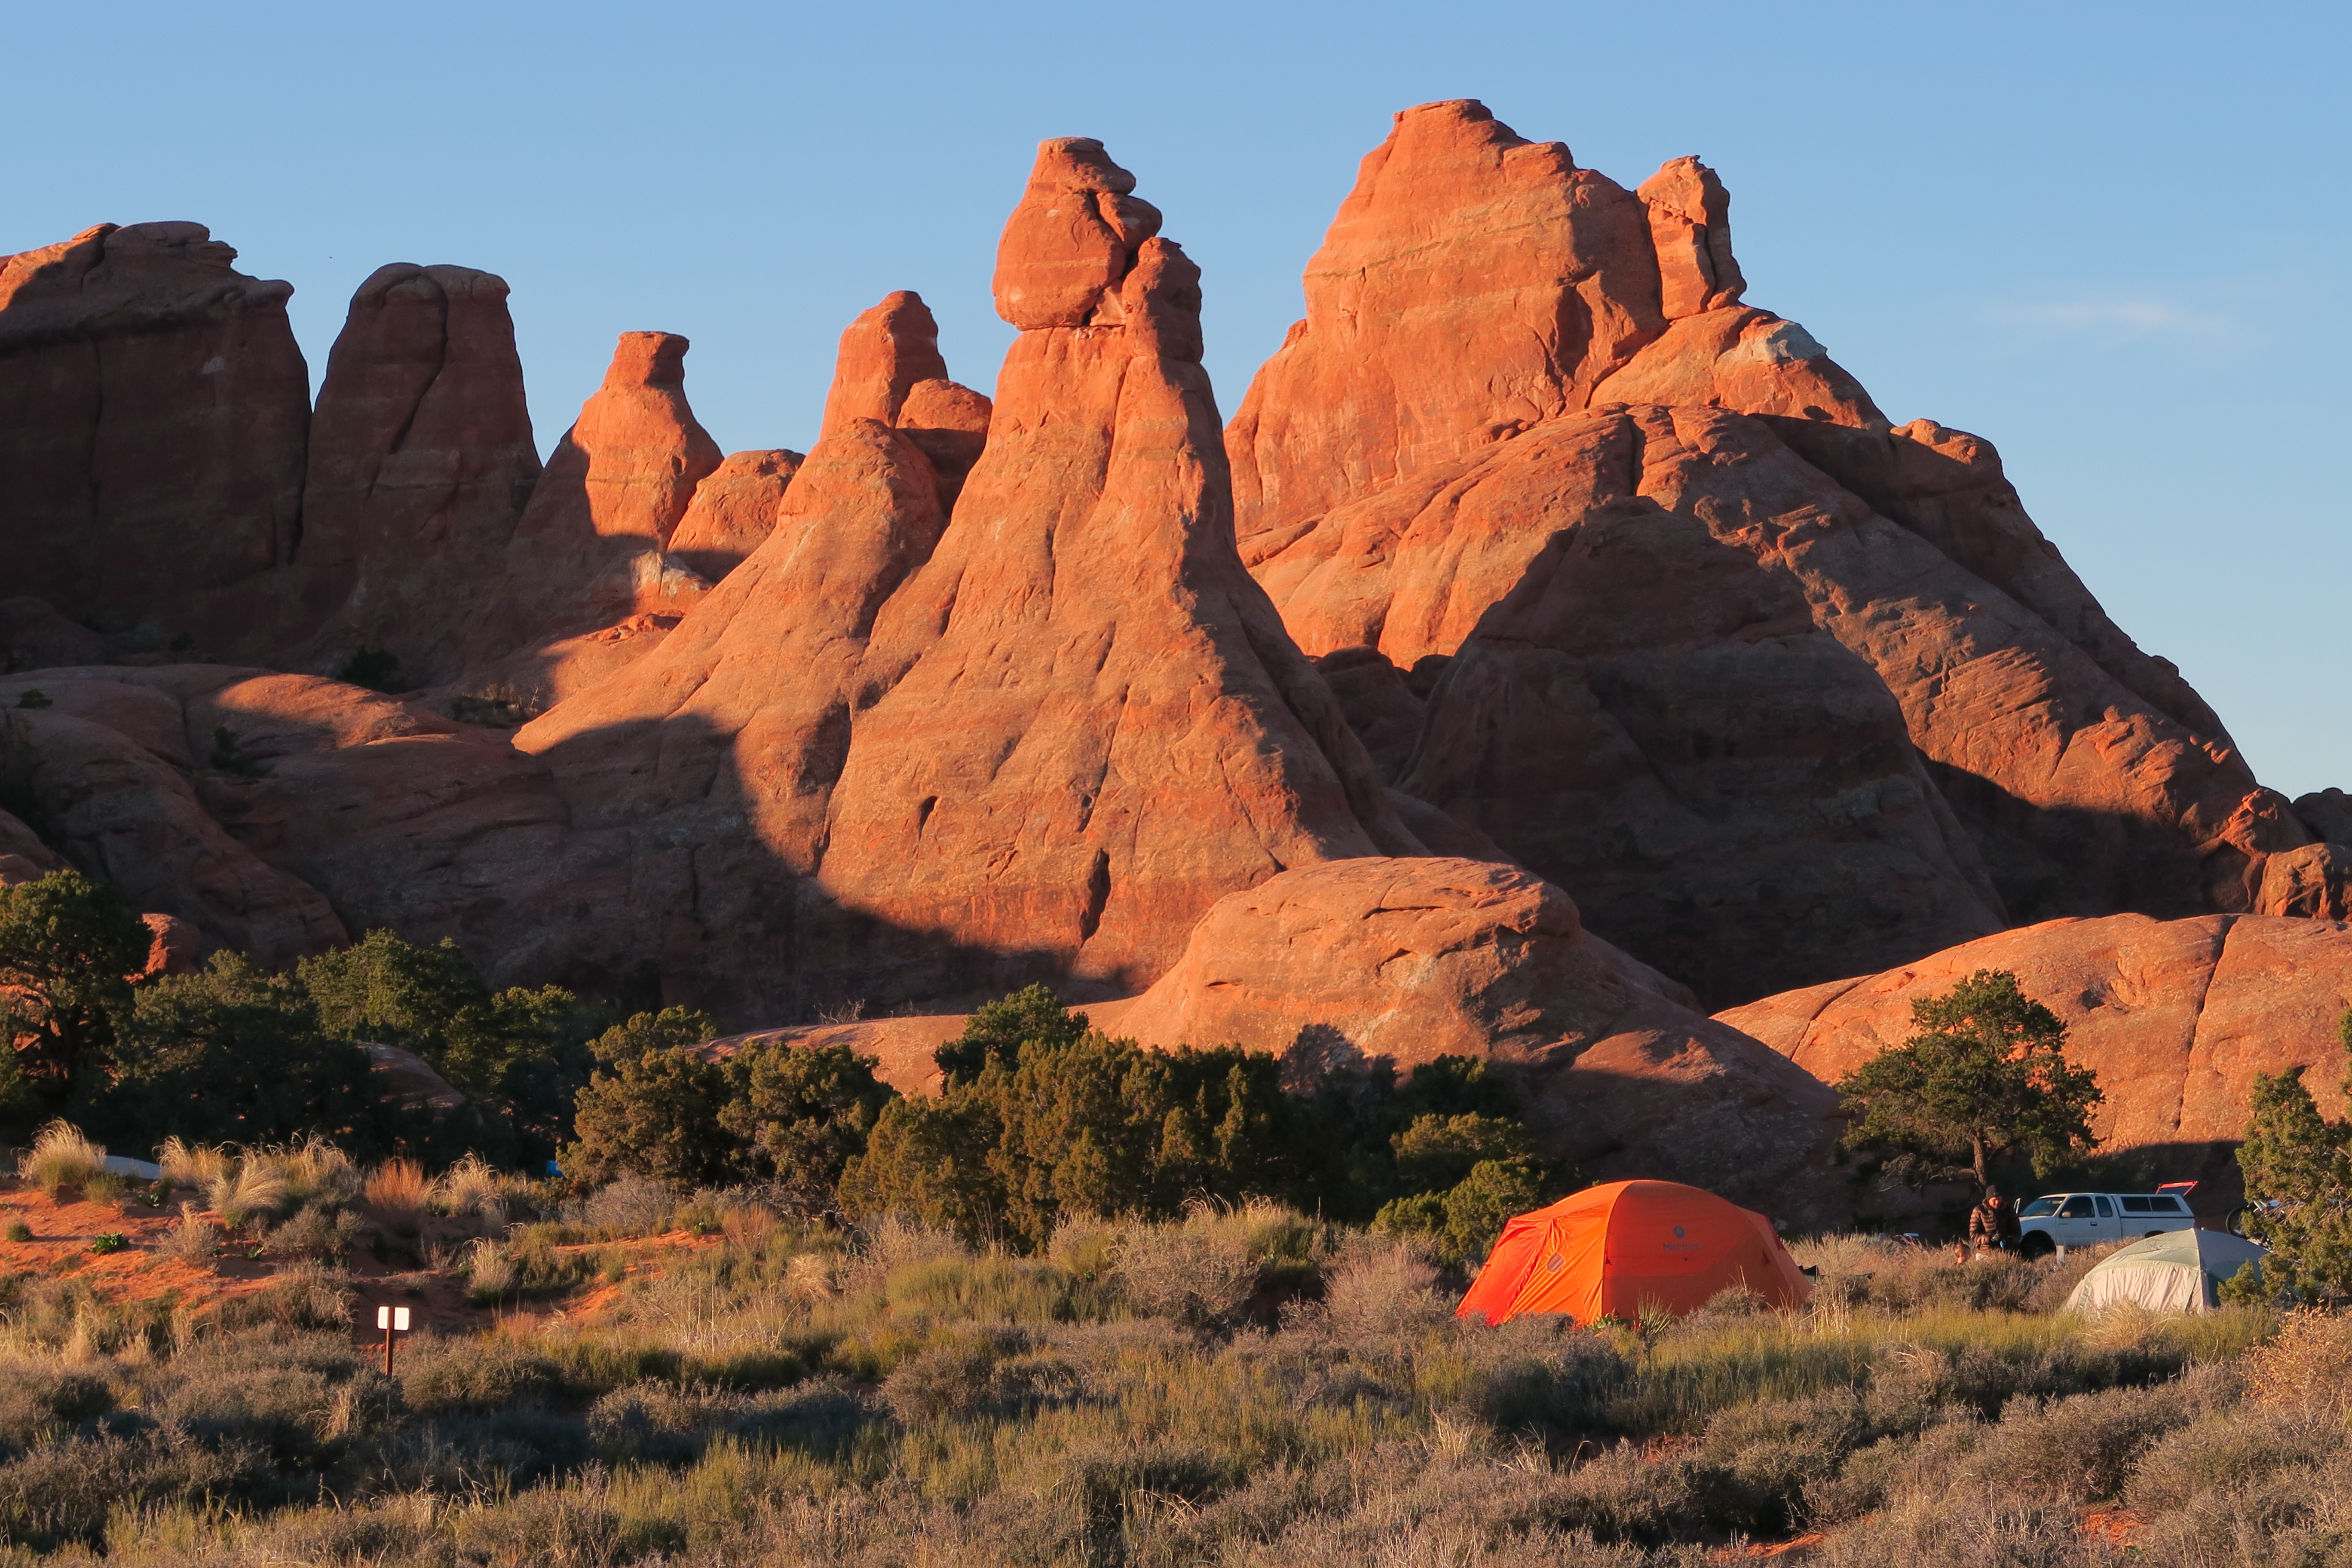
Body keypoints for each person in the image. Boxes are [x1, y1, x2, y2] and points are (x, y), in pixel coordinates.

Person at [1968, 1186, 2021, 1253]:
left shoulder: (2009, 1210)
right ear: (1988, 1200)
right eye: (1994, 1200)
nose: (1997, 1202)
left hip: (2007, 1252)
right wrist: (1990, 1239)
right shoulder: (1979, 1211)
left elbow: (2017, 1233)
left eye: (1999, 1199)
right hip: (1985, 1252)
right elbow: (1974, 1235)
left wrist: (2010, 1240)